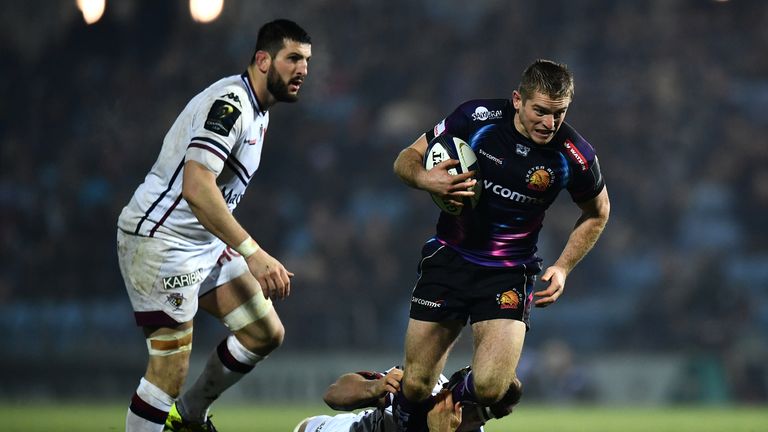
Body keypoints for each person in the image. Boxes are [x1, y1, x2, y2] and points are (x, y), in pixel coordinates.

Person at [391, 59, 610, 431]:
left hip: (509, 271)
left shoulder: (574, 154)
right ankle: (400, 419)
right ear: (517, 101)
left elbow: (598, 212)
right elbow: (405, 159)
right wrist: (428, 179)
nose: (549, 123)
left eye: (559, 114)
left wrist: (563, 266)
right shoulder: (476, 118)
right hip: (450, 257)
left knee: (493, 388)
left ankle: (447, 407)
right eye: (540, 111)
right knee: (416, 382)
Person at [116, 19, 312, 432]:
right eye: (293, 58)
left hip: (199, 241)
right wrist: (253, 254)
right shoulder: (231, 104)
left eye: (307, 61)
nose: (303, 70)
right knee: (168, 370)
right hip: (161, 240)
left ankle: (188, 419)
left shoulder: (259, 112)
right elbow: (197, 188)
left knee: (264, 332)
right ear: (263, 60)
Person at [294, 365, 515, 432]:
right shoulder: (418, 388)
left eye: (480, 419)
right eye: (472, 413)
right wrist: (375, 387)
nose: (472, 423)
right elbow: (333, 394)